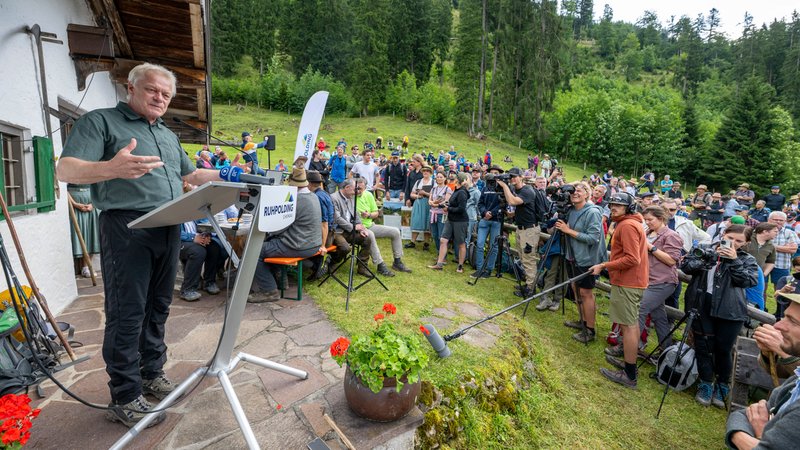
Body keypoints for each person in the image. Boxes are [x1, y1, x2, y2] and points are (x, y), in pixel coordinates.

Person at [57, 63, 223, 427]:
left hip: (168, 225)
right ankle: (125, 394)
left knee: (158, 306)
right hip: (127, 227)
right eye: (153, 90)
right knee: (127, 311)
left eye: (166, 94)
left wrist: (234, 175)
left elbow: (192, 175)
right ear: (131, 88)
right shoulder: (101, 122)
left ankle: (151, 372)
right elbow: (65, 169)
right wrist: (111, 168)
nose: (160, 98)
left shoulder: (167, 134)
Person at [681, 224, 759, 407]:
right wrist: (707, 259)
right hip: (701, 304)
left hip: (730, 309)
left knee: (723, 349)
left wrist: (734, 260)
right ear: (723, 234)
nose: (733, 243)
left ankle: (723, 384)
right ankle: (706, 383)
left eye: (739, 241)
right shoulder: (705, 248)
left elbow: (747, 281)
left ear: (746, 243)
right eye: (730, 238)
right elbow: (685, 267)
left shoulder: (747, 259)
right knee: (703, 345)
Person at [607, 206, 681, 364]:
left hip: (663, 281)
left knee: (638, 310)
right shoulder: (646, 232)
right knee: (659, 317)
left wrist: (651, 247)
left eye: (650, 220)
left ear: (661, 218)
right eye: (645, 219)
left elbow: (671, 260)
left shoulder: (671, 235)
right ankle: (667, 351)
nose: (647, 223)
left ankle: (628, 348)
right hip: (648, 279)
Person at [726, 292, 800, 448]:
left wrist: (761, 434)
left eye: (793, 321)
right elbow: (741, 415)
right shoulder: (795, 382)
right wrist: (768, 354)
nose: (778, 326)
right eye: (785, 317)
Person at [591, 192, 648, 389]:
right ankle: (628, 363)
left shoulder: (627, 226)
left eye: (619, 205)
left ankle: (629, 375)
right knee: (630, 324)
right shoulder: (629, 223)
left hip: (628, 283)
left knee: (629, 325)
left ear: (629, 208)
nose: (613, 208)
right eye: (612, 204)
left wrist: (604, 265)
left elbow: (632, 259)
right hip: (631, 282)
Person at [551, 183, 606, 337]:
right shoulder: (570, 210)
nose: (574, 193)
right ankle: (582, 321)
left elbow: (593, 238)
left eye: (579, 191)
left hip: (587, 258)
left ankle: (590, 329)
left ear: (587, 194)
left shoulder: (593, 212)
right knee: (575, 288)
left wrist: (568, 230)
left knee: (586, 292)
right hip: (572, 256)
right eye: (572, 191)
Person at [496, 167, 549, 297]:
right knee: (523, 258)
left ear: (521, 177)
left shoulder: (527, 190)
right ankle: (528, 283)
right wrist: (512, 214)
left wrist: (504, 186)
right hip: (521, 229)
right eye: (510, 177)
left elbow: (512, 201)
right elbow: (525, 208)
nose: (512, 179)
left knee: (529, 259)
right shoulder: (518, 190)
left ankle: (531, 289)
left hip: (530, 230)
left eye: (514, 176)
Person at [354, 178, 410, 275]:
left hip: (370, 225)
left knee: (395, 231)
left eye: (360, 188)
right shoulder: (351, 197)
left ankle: (397, 261)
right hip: (358, 229)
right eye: (356, 188)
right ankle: (380, 265)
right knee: (370, 235)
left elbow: (376, 213)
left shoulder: (368, 195)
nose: (358, 190)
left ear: (365, 187)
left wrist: (369, 215)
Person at [329, 179, 374, 276]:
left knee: (367, 239)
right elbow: (337, 219)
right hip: (337, 231)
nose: (356, 192)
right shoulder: (333, 198)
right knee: (345, 248)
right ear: (347, 187)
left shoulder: (350, 197)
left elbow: (355, 214)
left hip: (349, 230)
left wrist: (361, 228)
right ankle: (332, 262)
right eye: (354, 189)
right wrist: (354, 227)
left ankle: (362, 267)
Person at [429, 173, 470, 273]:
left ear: (458, 180)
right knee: (443, 240)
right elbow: (451, 203)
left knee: (461, 243)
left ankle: (460, 266)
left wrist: (448, 209)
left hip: (460, 221)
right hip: (450, 219)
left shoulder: (462, 192)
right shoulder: (456, 190)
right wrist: (441, 205)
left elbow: (461, 209)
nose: (452, 180)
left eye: (454, 179)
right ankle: (439, 264)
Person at [471, 167, 505, 278]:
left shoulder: (503, 188)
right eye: (492, 173)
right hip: (484, 220)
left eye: (496, 173)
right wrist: (484, 212)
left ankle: (489, 269)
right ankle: (480, 269)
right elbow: (480, 203)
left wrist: (492, 213)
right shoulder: (485, 188)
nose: (493, 175)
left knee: (493, 246)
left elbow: (503, 204)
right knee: (480, 244)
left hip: (496, 221)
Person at [178, 220, 224, 301]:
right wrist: (193, 237)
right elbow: (174, 232)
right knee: (198, 251)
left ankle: (209, 282)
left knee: (213, 247)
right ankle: (187, 290)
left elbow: (205, 222)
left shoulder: (193, 212)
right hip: (179, 242)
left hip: (197, 238)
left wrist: (206, 235)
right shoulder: (175, 214)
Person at [769, 211, 800, 318]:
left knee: (781, 288)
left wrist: (772, 246)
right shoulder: (763, 230)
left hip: (782, 264)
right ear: (769, 220)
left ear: (785, 221)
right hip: (764, 264)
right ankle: (762, 309)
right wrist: (784, 247)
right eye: (775, 219)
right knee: (762, 288)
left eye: (781, 220)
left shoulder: (789, 232)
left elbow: (793, 250)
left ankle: (779, 312)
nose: (778, 222)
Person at [67, 184, 100, 278]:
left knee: (91, 234)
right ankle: (80, 267)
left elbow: (100, 186)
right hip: (73, 205)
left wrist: (93, 204)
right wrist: (74, 203)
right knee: (77, 234)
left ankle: (87, 266)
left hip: (91, 205)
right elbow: (62, 187)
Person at [307, 170, 335, 281]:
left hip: (326, 234)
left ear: (309, 183)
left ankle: (318, 267)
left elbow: (324, 222)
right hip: (330, 231)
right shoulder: (324, 193)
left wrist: (323, 245)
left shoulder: (317, 197)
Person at [407, 165, 434, 250]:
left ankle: (426, 243)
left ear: (430, 173)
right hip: (418, 203)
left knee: (427, 222)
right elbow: (412, 194)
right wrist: (418, 196)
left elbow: (435, 195)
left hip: (429, 204)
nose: (425, 172)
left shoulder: (433, 182)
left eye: (427, 171)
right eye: (424, 171)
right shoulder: (418, 182)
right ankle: (412, 242)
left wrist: (425, 193)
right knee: (416, 221)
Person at [429, 172, 452, 253]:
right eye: (438, 177)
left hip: (442, 214)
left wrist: (435, 204)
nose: (439, 178)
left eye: (441, 177)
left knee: (441, 235)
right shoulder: (433, 188)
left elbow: (446, 202)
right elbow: (429, 200)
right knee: (434, 234)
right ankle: (439, 252)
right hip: (432, 213)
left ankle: (443, 255)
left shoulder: (447, 189)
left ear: (445, 178)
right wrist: (432, 203)